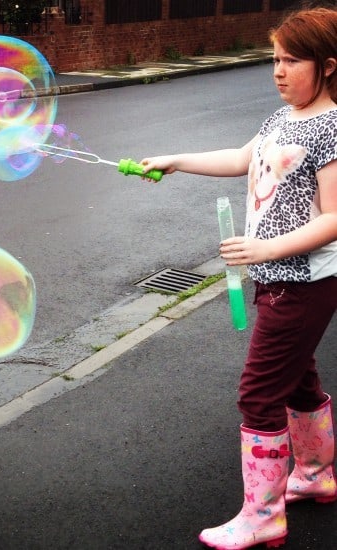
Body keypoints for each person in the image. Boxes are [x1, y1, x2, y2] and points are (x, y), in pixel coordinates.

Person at [140, 7, 337, 550]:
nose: (277, 70)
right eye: (275, 59)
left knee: (257, 394)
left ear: (327, 65)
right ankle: (316, 474)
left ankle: (265, 513)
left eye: (291, 61)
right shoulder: (280, 118)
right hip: (276, 277)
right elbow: (241, 159)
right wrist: (176, 159)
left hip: (304, 281)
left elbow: (334, 217)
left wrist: (265, 247)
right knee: (296, 378)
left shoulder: (331, 129)